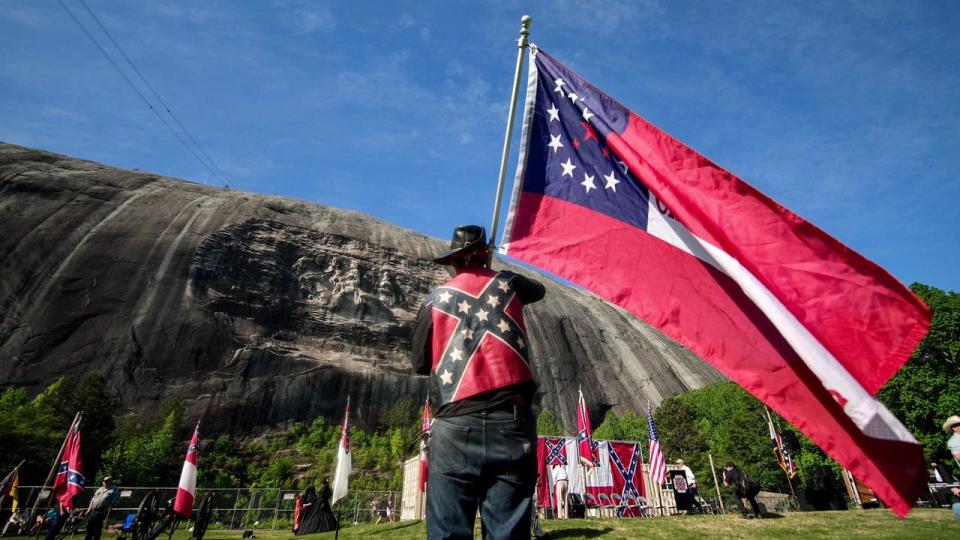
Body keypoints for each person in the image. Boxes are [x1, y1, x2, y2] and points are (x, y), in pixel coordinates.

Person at [410, 225, 546, 540]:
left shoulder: (435, 299)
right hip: (512, 425)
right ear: (486, 253)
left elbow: (420, 363)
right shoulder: (509, 284)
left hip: (456, 426)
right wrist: (492, 270)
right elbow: (538, 289)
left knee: (449, 532)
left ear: (453, 261)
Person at [84, 476, 120, 540]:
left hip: (102, 511)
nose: (105, 482)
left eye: (106, 481)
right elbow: (93, 499)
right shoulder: (100, 489)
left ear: (110, 481)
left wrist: (109, 508)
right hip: (93, 510)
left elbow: (114, 500)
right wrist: (89, 509)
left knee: (96, 529)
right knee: (89, 527)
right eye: (104, 481)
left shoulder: (114, 489)